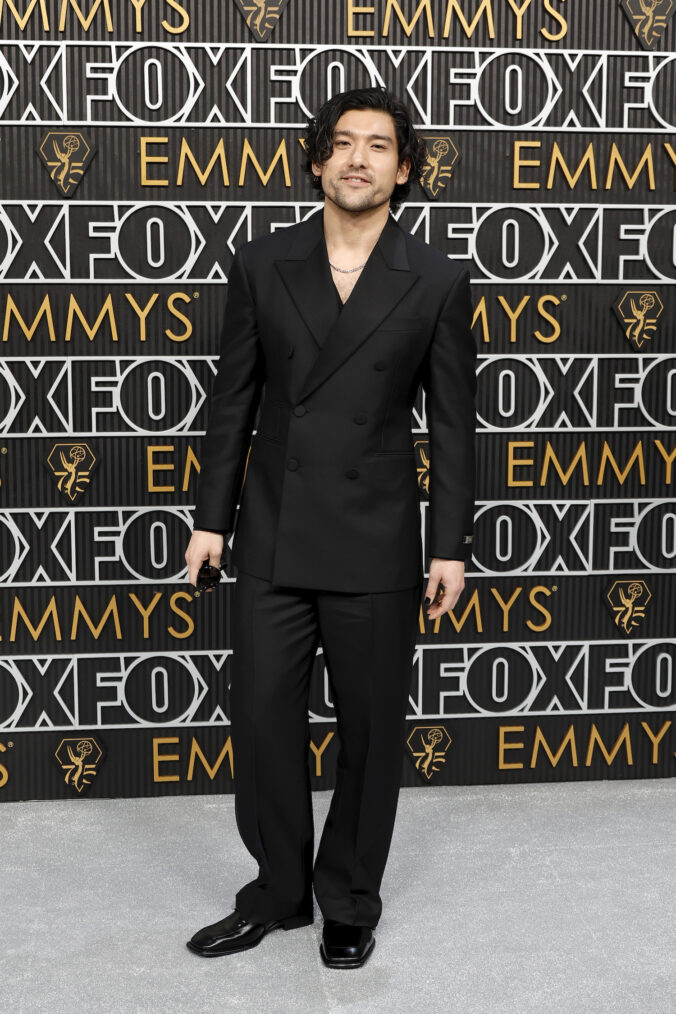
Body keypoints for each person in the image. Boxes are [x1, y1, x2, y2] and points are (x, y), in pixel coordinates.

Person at [184, 86, 477, 969]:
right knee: (265, 719)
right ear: (316, 161)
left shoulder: (435, 276)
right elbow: (233, 399)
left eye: (378, 146)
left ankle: (349, 894)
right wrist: (211, 523)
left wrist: (449, 544)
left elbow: (456, 424)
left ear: (405, 169)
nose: (357, 159)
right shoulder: (264, 261)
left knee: (371, 728)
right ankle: (278, 891)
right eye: (341, 144)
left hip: (377, 536)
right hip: (273, 529)